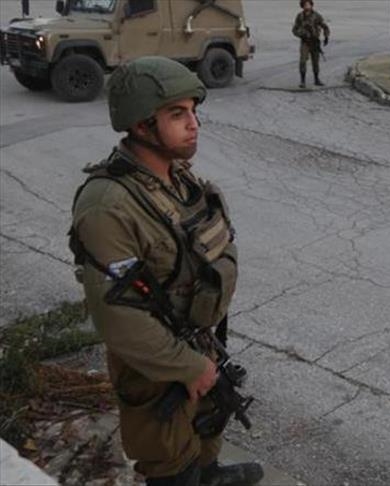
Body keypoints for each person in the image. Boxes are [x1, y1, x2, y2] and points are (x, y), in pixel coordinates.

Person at [69, 56, 263, 486]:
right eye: (177, 114)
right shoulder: (108, 206)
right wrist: (188, 367)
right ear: (142, 125)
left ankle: (210, 475)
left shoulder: (176, 177)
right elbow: (118, 319)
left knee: (207, 426)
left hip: (197, 340)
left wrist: (201, 359)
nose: (194, 124)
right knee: (170, 460)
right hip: (155, 363)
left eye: (193, 111)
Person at [292, 0, 330, 88]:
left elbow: (325, 27)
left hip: (315, 42)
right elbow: (294, 30)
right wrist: (302, 34)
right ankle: (302, 81)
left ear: (312, 5)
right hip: (305, 42)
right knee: (302, 61)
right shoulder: (300, 16)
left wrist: (326, 37)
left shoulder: (317, 15)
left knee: (315, 61)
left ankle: (316, 79)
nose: (307, 6)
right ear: (302, 6)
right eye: (305, 4)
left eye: (308, 4)